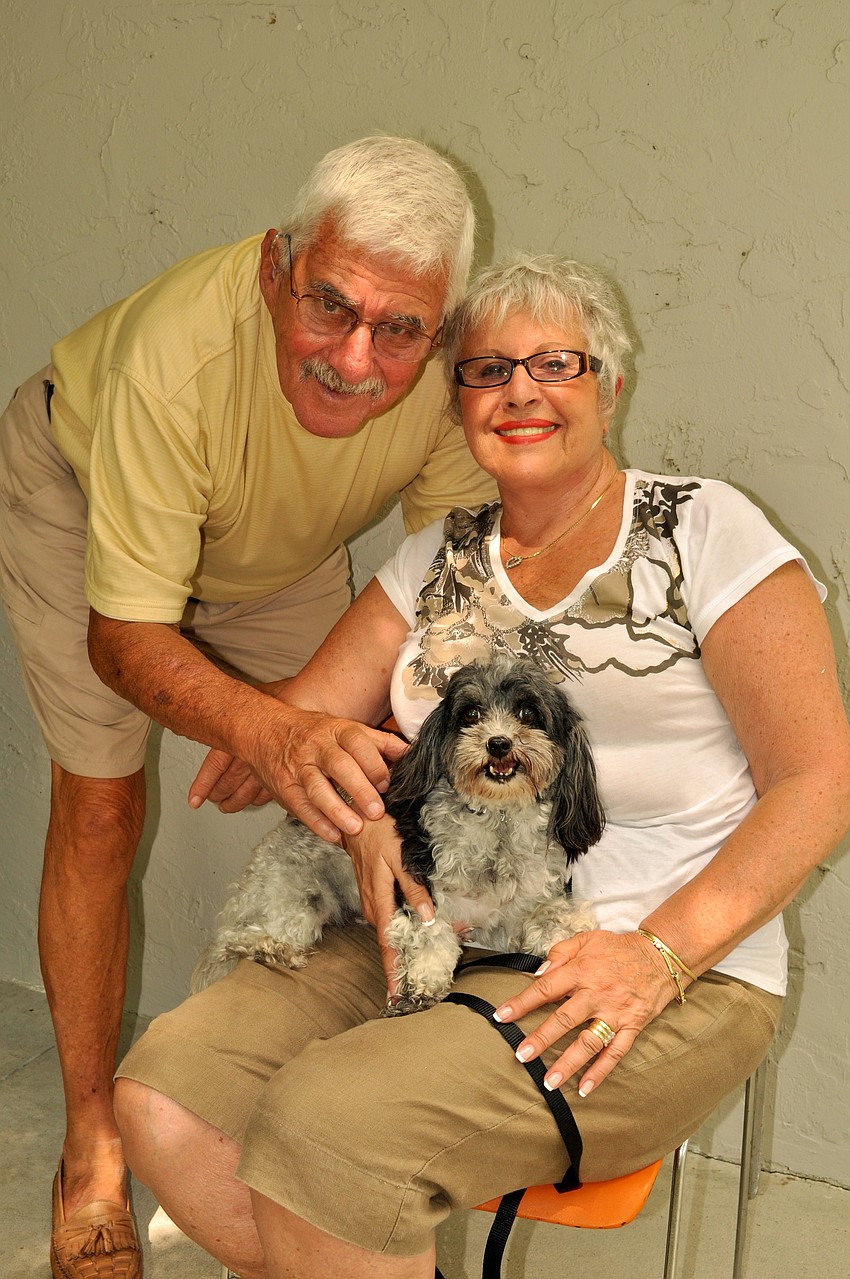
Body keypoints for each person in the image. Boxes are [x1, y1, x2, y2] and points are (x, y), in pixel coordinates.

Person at [113, 253, 850, 1279]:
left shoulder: (706, 531)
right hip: (431, 927)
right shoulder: (432, 560)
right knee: (167, 1093)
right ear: (454, 401)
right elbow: (283, 742)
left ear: (612, 384)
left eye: (555, 362)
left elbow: (817, 785)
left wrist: (660, 955)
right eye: (486, 369)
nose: (520, 391)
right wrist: (362, 808)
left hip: (660, 959)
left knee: (328, 1132)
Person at [0, 135, 498, 1279]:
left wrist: (318, 720)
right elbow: (123, 640)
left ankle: (289, 1130)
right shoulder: (174, 364)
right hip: (81, 499)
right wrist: (262, 722)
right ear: (278, 267)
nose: (357, 360)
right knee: (100, 806)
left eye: (400, 329)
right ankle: (93, 1145)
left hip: (274, 553)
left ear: (443, 324)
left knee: (362, 785)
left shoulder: (444, 372)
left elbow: (448, 601)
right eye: (330, 305)